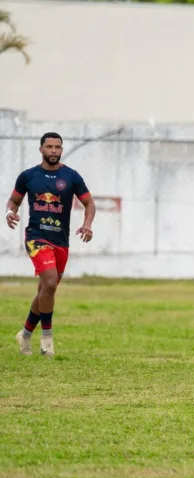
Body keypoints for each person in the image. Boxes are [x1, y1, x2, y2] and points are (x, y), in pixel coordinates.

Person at [5, 132, 96, 357]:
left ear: (61, 150)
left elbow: (89, 203)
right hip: (36, 238)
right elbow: (14, 200)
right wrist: (9, 212)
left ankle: (25, 334)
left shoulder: (71, 176)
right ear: (41, 149)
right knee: (51, 283)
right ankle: (47, 340)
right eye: (49, 147)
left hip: (61, 241)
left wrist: (87, 224)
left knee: (46, 289)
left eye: (57, 147)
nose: (53, 150)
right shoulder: (28, 176)